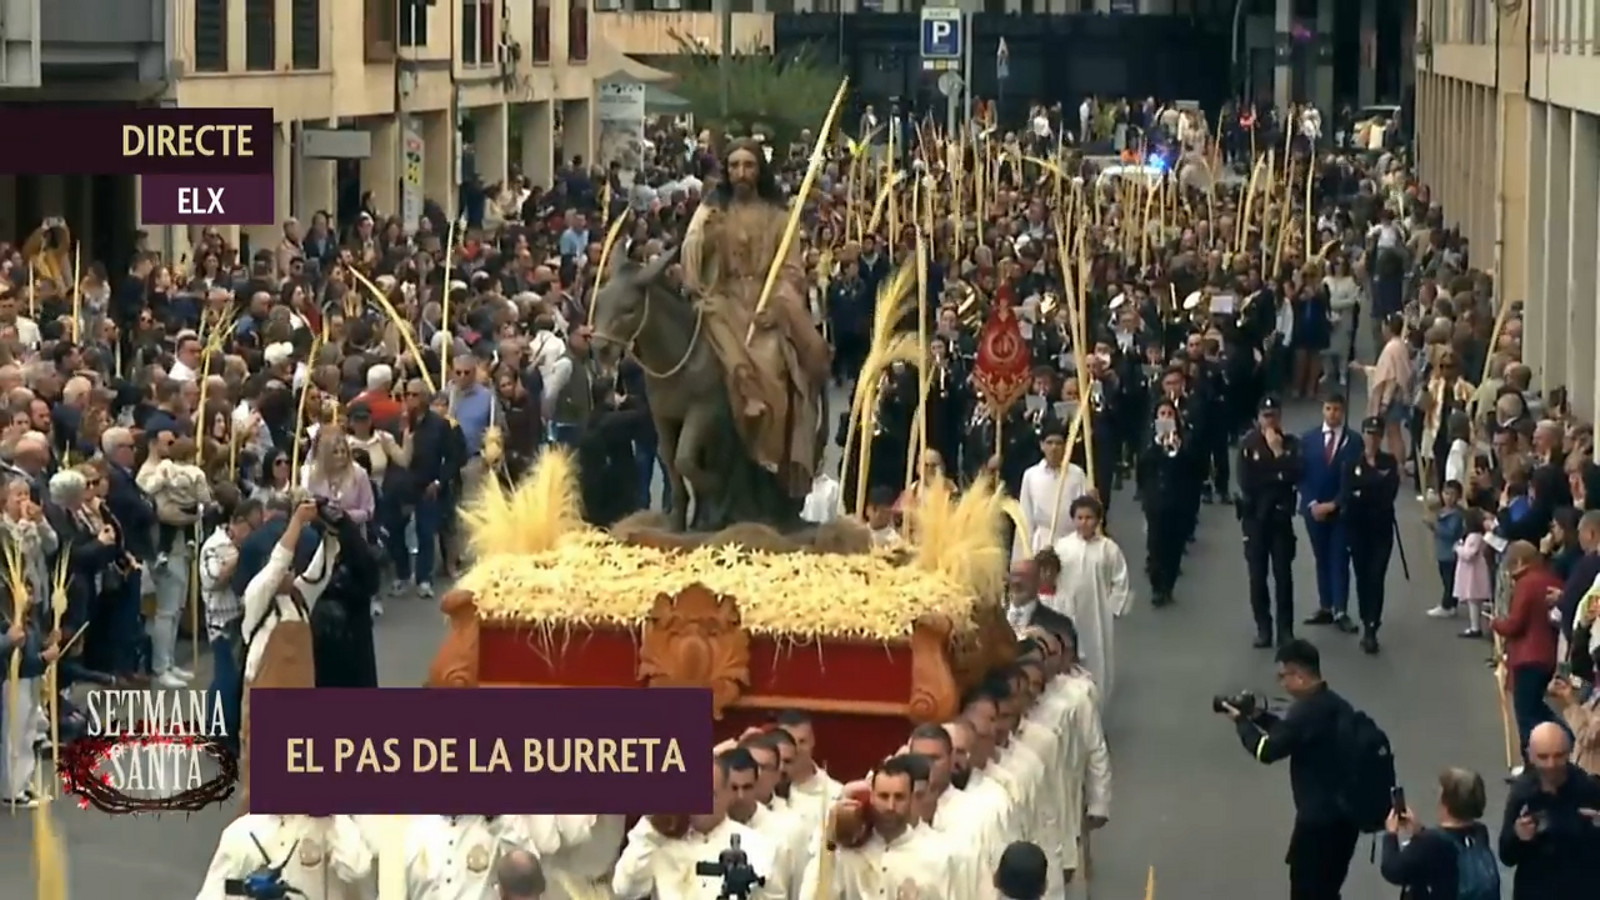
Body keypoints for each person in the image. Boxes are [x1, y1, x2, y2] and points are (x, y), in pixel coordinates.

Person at [680, 137, 832, 501]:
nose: (741, 173)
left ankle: (770, 456)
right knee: (709, 315)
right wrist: (702, 226)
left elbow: (793, 272)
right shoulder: (715, 215)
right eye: (734, 166)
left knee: (774, 365)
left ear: (759, 171)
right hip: (726, 300)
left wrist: (778, 305)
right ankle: (741, 386)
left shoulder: (781, 219)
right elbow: (694, 265)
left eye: (748, 166)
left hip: (767, 305)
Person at [1221, 639, 1362, 900]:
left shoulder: (1305, 713)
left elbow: (1266, 750)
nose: (1281, 683)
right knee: (1329, 890)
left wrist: (1241, 722)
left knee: (1307, 891)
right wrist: (1258, 717)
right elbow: (1293, 735)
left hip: (1317, 825)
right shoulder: (1335, 705)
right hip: (1345, 819)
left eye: (1283, 675)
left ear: (1299, 675)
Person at [612, 756, 784, 900]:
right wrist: (652, 828)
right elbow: (624, 889)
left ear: (728, 793)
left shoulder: (759, 847)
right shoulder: (657, 842)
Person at [1497, 722, 1600, 898]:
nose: (1551, 764)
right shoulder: (1522, 793)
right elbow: (1507, 856)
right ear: (1530, 756)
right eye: (1543, 757)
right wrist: (1517, 837)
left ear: (1569, 753)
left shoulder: (1589, 788)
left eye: (1558, 755)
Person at [1236, 395, 1306, 648]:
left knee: (1283, 576)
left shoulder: (1291, 444)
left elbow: (1296, 474)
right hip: (1255, 518)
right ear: (1258, 418)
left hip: (1279, 518)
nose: (1270, 420)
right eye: (1266, 416)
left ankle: (1285, 629)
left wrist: (1277, 454)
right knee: (1257, 577)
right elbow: (1248, 481)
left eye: (1274, 415)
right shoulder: (1248, 444)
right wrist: (1277, 472)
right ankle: (1263, 627)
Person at [1047, 496, 1131, 704]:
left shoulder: (1108, 549)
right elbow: (1051, 579)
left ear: (1098, 520)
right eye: (1079, 517)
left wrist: (1112, 609)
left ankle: (1098, 709)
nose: (1084, 522)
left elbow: (1121, 580)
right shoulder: (1062, 547)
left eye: (1089, 518)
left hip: (1097, 614)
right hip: (1068, 611)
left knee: (1097, 660)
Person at [1491, 541, 1565, 764]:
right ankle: (1561, 740)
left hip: (1527, 657)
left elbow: (1515, 624)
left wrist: (1496, 623)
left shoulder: (1526, 584)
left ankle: (1532, 761)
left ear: (1520, 561)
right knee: (1538, 708)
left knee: (1526, 714)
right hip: (1549, 655)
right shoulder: (1552, 579)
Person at [1379, 767, 1500, 900]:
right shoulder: (1479, 832)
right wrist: (1420, 832)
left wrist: (1390, 834)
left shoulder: (1430, 842)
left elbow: (1392, 869)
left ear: (1446, 802)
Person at [196, 813, 373, 900]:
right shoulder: (240, 832)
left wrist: (334, 813)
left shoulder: (330, 828)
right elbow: (212, 894)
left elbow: (357, 868)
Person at [1340, 415, 1401, 653]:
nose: (1372, 439)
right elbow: (1347, 495)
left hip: (1381, 529)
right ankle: (1365, 617)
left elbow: (1388, 495)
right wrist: (1373, 485)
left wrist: (1364, 488)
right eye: (1368, 433)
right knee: (1362, 577)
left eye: (1376, 434)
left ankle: (1372, 626)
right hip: (1357, 529)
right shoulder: (1350, 463)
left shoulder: (1389, 462)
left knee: (1376, 577)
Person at [1298, 393, 1359, 634]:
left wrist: (1335, 504)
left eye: (1337, 409)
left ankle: (1341, 609)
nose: (1332, 414)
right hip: (1314, 510)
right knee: (1321, 557)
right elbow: (1301, 475)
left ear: (1343, 412)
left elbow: (1354, 478)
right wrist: (1312, 503)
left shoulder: (1353, 441)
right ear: (1323, 410)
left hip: (1340, 510)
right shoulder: (1309, 439)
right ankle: (1326, 604)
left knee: (1339, 557)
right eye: (1328, 409)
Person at [1016, 420, 1090, 561]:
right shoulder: (1031, 475)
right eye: (1049, 443)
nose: (1054, 448)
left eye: (1058, 443)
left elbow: (1084, 513)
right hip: (1041, 545)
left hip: (1071, 543)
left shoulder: (1077, 474)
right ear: (1042, 446)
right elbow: (1026, 518)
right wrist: (1022, 556)